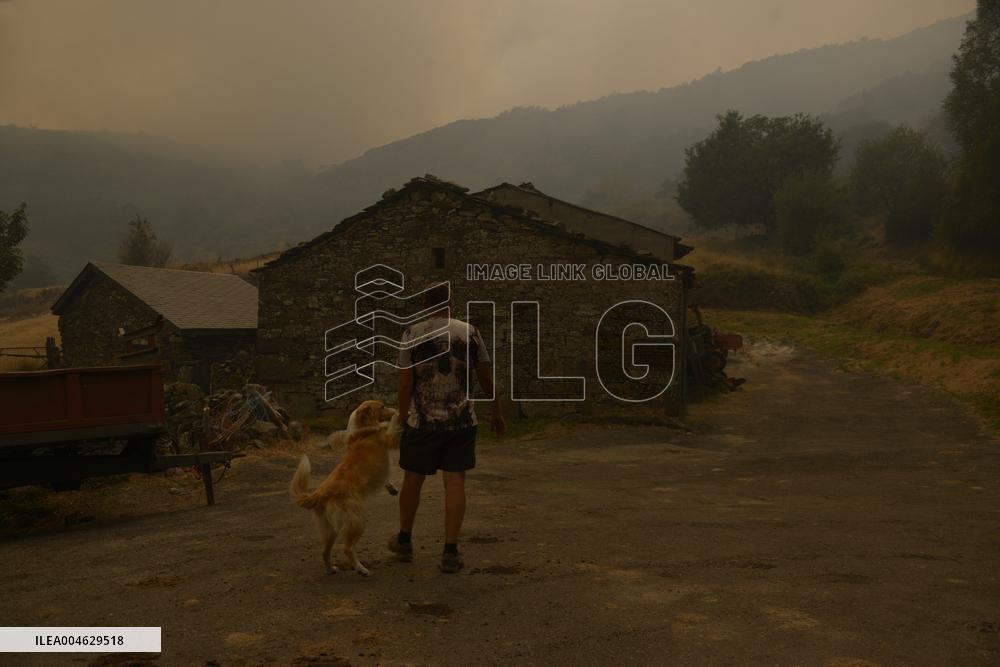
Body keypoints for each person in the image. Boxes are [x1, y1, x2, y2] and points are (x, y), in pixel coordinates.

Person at [387, 284, 505, 573]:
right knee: (455, 482)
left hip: (422, 422)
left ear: (425, 305)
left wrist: (402, 416)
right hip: (461, 422)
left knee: (413, 479)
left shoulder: (411, 334)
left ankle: (404, 540)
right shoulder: (470, 332)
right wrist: (496, 413)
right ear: (451, 303)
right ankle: (450, 551)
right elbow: (487, 379)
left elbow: (405, 383)